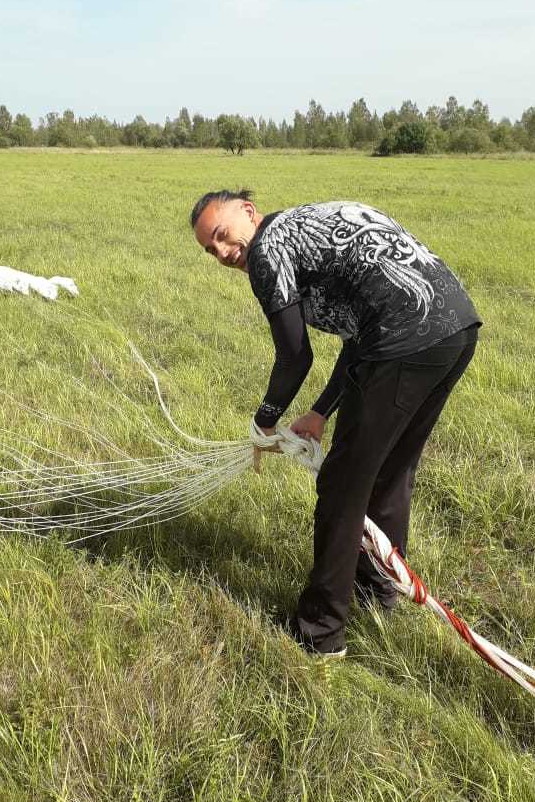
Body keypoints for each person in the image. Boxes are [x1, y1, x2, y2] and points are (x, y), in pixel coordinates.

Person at [191, 189, 480, 659]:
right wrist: (321, 412)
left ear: (248, 211)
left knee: (342, 487)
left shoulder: (269, 248)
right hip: (455, 328)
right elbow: (356, 335)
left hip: (404, 335)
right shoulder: (304, 231)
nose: (222, 253)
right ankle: (378, 592)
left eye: (221, 235)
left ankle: (320, 631)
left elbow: (294, 355)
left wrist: (264, 421)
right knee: (389, 471)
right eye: (210, 249)